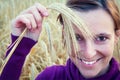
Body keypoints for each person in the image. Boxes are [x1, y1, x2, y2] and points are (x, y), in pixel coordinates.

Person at [0, 0, 120, 80]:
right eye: (77, 37)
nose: (89, 53)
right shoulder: (51, 77)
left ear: (116, 36)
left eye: (101, 38)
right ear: (65, 35)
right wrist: (18, 50)